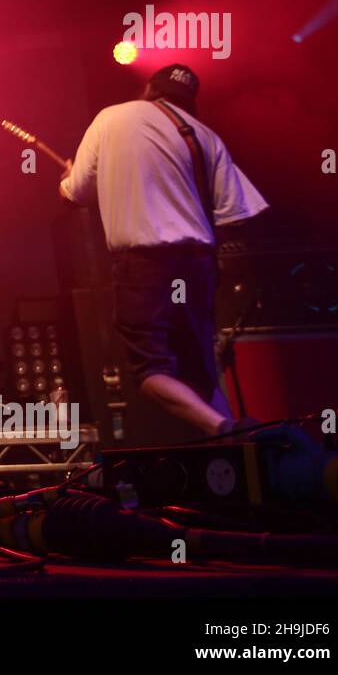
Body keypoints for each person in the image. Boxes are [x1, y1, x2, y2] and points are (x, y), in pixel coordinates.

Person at [58, 63, 268, 437]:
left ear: (148, 89)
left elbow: (77, 194)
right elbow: (235, 215)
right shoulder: (205, 136)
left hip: (145, 266)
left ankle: (224, 430)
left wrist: (66, 179)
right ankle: (243, 452)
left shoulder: (111, 118)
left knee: (150, 371)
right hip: (197, 265)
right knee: (200, 372)